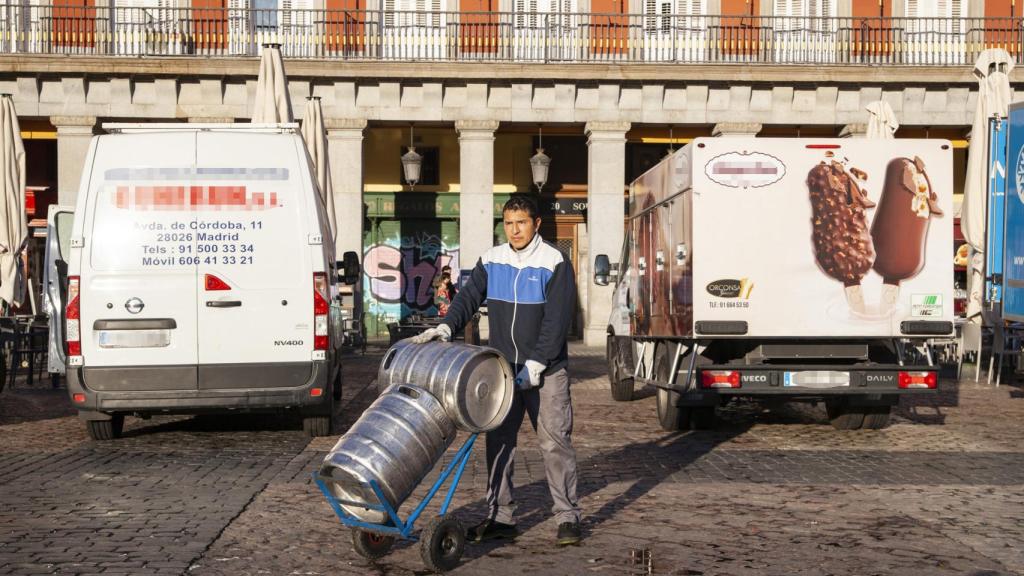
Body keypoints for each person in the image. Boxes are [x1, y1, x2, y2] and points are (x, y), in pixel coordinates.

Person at [409, 195, 582, 546]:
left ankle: (567, 516)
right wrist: (446, 327)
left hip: (546, 372)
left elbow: (557, 319)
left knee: (553, 443)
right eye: (508, 223)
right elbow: (467, 298)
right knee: (499, 442)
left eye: (521, 222)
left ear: (536, 224)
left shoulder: (555, 261)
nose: (514, 229)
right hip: (503, 370)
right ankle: (501, 516)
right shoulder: (492, 260)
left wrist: (537, 363)